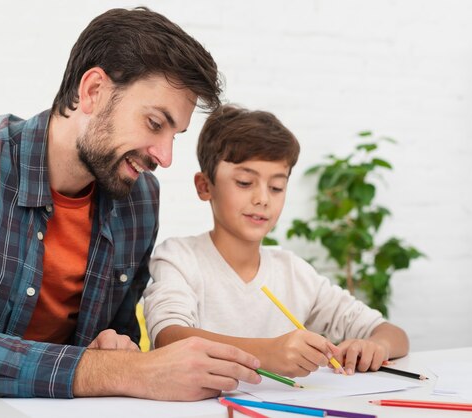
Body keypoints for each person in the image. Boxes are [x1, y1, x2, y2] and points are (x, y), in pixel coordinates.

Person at [0, 8, 262, 399]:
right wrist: (113, 370)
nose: (165, 156)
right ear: (93, 91)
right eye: (154, 123)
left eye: (174, 135)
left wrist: (116, 351)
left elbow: (118, 348)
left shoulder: (139, 199)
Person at [143, 104, 410, 378]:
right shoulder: (180, 258)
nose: (263, 199)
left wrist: (376, 346)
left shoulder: (293, 272)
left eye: (276, 187)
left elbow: (393, 334)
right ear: (205, 186)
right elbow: (169, 337)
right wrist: (268, 353)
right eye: (245, 182)